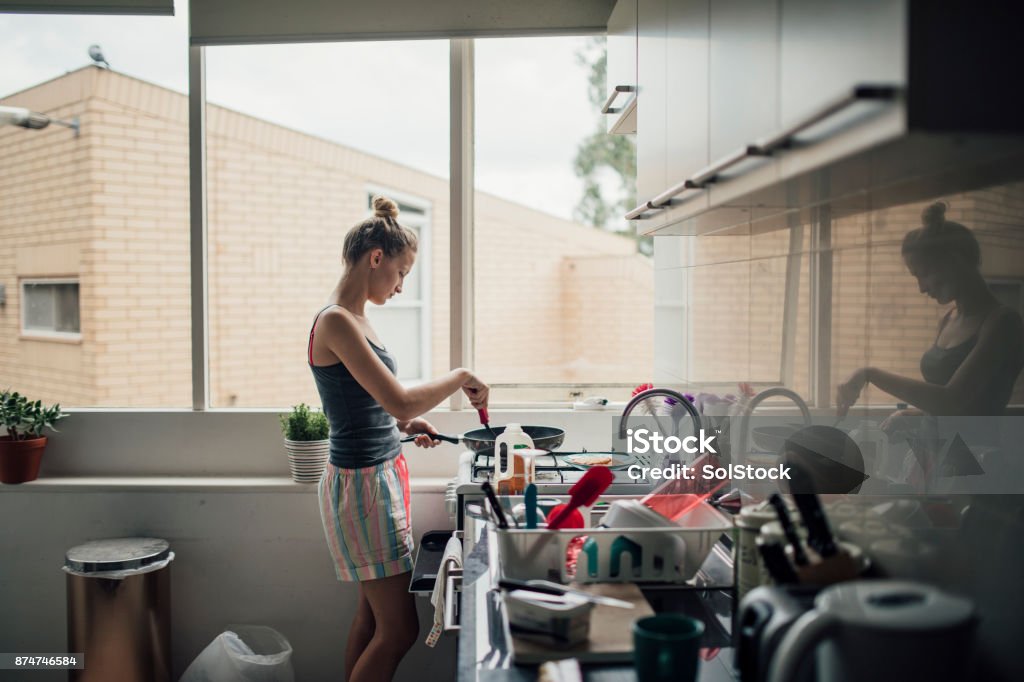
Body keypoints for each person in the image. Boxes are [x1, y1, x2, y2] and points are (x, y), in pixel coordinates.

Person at [308, 195, 489, 682]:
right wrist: (459, 377)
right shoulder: (336, 321)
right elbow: (400, 400)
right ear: (375, 258)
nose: (402, 284)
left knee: (373, 620)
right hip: (362, 487)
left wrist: (405, 428)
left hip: (375, 476)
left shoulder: (356, 320)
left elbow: (367, 406)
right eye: (401, 271)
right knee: (399, 631)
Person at [837, 201, 1024, 423]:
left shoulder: (1003, 323)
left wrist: (870, 373)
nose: (922, 288)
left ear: (955, 261)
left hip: (976, 456)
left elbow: (951, 401)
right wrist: (914, 416)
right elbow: (958, 408)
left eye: (924, 274)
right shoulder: (948, 319)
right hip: (936, 455)